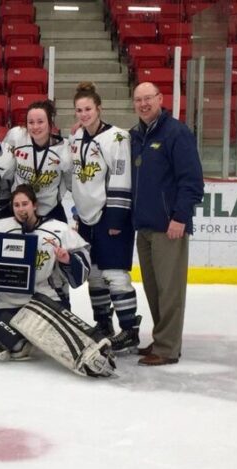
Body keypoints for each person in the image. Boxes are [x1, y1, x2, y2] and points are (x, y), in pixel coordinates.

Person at [128, 82, 204, 366]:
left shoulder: (176, 132)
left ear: (160, 99)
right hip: (144, 226)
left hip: (168, 226)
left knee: (170, 290)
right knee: (154, 289)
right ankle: (163, 338)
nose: (144, 104)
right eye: (139, 100)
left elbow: (192, 181)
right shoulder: (136, 135)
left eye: (149, 98)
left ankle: (168, 347)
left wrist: (180, 217)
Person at [0, 185, 91, 358]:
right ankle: (23, 339)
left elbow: (83, 266)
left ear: (34, 205)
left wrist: (67, 260)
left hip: (45, 299)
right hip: (8, 301)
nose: (21, 209)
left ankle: (31, 334)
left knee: (64, 340)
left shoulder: (58, 229)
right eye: (16, 205)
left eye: (25, 204)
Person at [68, 82, 140, 347]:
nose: (84, 114)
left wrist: (116, 218)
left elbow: (122, 177)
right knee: (95, 273)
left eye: (88, 108)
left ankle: (130, 329)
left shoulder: (117, 137)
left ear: (99, 108)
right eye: (79, 110)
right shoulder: (76, 137)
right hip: (86, 218)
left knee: (115, 274)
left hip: (111, 216)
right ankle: (103, 323)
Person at [4, 100, 72, 222]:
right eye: (31, 122)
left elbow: (69, 182)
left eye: (40, 122)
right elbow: (6, 165)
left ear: (50, 123)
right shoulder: (16, 136)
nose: (35, 127)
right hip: (20, 209)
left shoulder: (64, 149)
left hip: (50, 210)